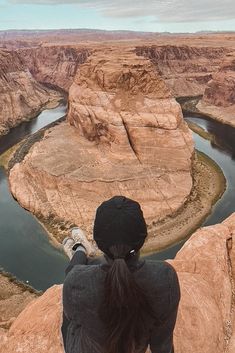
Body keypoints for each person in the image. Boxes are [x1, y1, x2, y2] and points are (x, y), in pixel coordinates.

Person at [62, 195, 180, 353]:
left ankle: (81, 249)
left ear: (99, 242)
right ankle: (82, 250)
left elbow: (72, 318)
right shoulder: (166, 278)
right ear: (142, 239)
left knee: (68, 312)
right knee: (86, 273)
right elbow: (162, 344)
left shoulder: (76, 282)